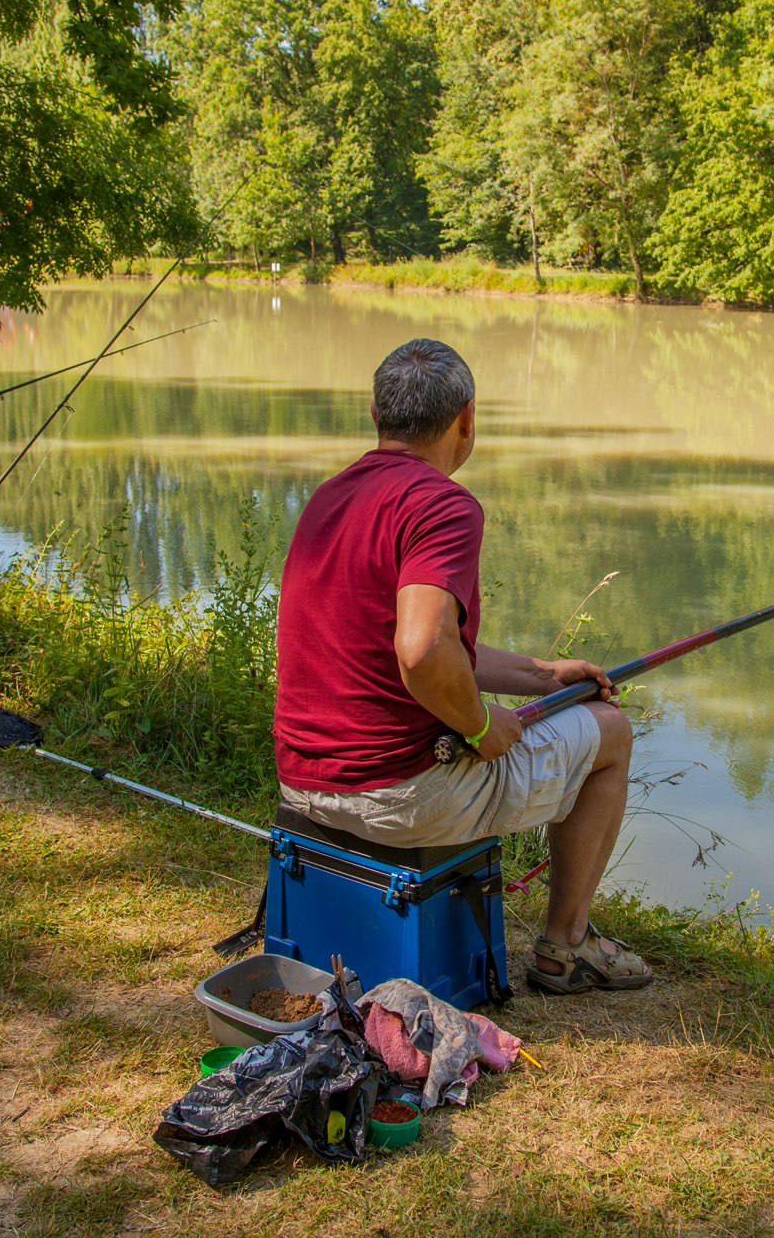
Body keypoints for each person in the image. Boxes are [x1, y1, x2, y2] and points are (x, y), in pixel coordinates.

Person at [274, 338, 653, 995]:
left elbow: (414, 646)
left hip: (304, 782)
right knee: (611, 733)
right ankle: (567, 945)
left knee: (580, 708)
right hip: (399, 795)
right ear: (467, 418)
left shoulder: (330, 498)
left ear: (375, 414)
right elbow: (421, 652)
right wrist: (480, 728)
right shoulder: (442, 504)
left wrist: (542, 676)